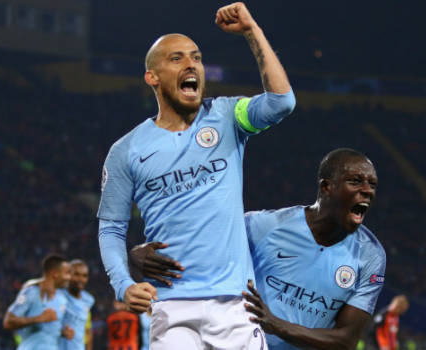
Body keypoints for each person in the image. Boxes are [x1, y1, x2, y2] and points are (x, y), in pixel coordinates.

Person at [97, 2, 295, 348]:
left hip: (236, 303)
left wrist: (252, 31)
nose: (191, 64)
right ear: (152, 77)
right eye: (177, 59)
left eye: (197, 57)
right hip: (171, 307)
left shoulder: (227, 116)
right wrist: (123, 284)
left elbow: (281, 103)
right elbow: (111, 227)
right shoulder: (126, 151)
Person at [131, 148, 387, 350]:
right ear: (326, 187)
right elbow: (198, 242)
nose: (367, 190)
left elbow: (345, 340)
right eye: (355, 181)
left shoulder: (370, 256)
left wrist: (277, 325)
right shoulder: (265, 226)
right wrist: (139, 253)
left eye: (372, 184)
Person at [3, 254, 74, 350]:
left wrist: (63, 332)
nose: (70, 277)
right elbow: (8, 322)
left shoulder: (62, 299)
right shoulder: (32, 292)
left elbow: (48, 329)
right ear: (55, 273)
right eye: (67, 273)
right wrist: (40, 318)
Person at [60, 260, 95, 350]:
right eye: (76, 274)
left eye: (84, 276)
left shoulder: (88, 300)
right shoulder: (58, 295)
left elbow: (88, 330)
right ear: (68, 275)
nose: (81, 279)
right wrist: (62, 332)